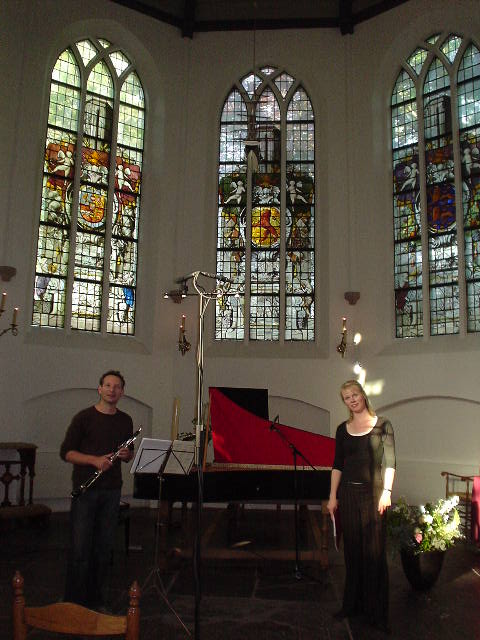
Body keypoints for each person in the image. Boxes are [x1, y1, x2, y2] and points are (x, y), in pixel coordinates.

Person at [60, 370, 134, 610]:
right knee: (80, 549)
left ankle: (97, 602)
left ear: (122, 392)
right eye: (108, 385)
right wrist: (94, 460)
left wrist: (127, 454)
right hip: (86, 490)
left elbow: (129, 456)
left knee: (103, 550)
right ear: (100, 389)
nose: (112, 390)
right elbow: (66, 452)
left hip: (112, 491)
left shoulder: (125, 420)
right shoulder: (84, 418)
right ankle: (73, 603)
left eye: (117, 386)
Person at [327, 380, 396, 633]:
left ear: (363, 395)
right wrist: (332, 497)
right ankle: (352, 606)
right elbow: (337, 465)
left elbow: (390, 462)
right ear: (345, 402)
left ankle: (376, 613)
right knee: (352, 553)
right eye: (347, 397)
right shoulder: (342, 429)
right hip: (348, 495)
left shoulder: (383, 425)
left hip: (374, 495)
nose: (352, 400)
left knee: (374, 555)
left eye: (355, 394)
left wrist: (387, 492)